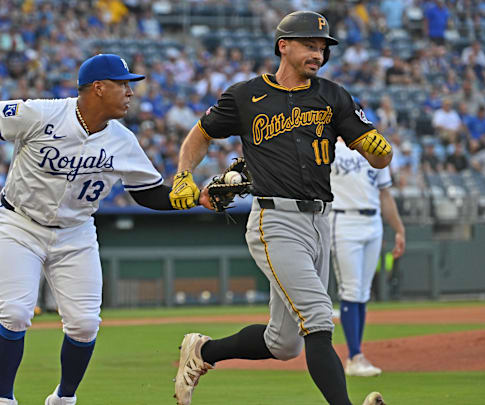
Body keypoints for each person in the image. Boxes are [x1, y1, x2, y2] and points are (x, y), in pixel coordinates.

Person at [0, 54, 187, 405]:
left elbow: (150, 193)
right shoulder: (42, 113)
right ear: (98, 88)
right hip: (19, 224)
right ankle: (4, 400)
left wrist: (198, 198)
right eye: (123, 84)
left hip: (76, 231)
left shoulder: (123, 140)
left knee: (84, 324)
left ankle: (63, 399)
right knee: (16, 313)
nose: (130, 92)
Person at [168, 11, 392, 405]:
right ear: (283, 45)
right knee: (320, 318)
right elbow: (200, 134)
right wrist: (184, 173)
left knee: (284, 342)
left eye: (322, 47)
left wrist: (379, 151)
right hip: (276, 221)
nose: (318, 54)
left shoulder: (333, 95)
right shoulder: (244, 95)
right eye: (310, 44)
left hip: (321, 221)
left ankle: (202, 353)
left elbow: (377, 156)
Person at [329, 137, 406, 377]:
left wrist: (399, 229)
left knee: (362, 291)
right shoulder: (328, 146)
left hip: (373, 221)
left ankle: (357, 355)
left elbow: (385, 195)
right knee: (352, 290)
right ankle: (354, 356)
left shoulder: (375, 151)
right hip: (343, 219)